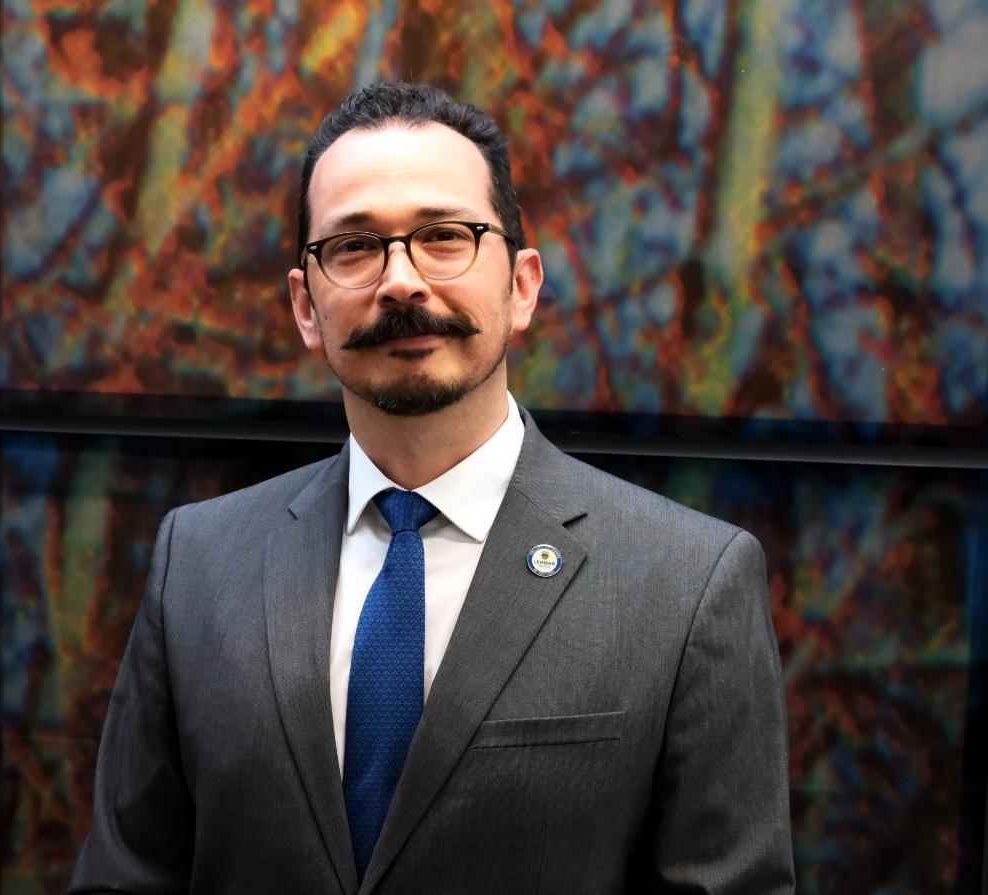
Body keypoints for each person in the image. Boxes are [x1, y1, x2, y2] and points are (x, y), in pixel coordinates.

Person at [69, 81, 794, 894]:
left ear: (521, 285)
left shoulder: (688, 582)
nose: (401, 281)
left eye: (445, 236)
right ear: (306, 307)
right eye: (353, 247)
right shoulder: (197, 565)